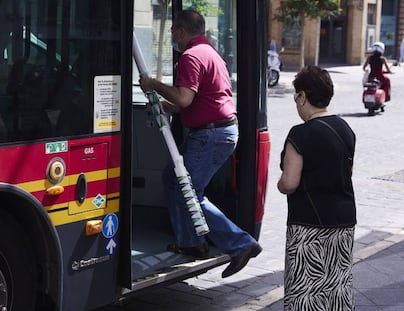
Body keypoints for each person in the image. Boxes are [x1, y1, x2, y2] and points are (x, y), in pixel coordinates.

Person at [139, 9, 262, 278]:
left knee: (189, 193)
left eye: (173, 31)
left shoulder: (191, 56)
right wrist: (168, 107)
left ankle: (240, 243)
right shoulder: (210, 52)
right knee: (173, 180)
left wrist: (153, 84)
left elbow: (184, 99)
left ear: (181, 31)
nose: (173, 36)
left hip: (210, 135)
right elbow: (195, 101)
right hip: (216, 131)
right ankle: (191, 242)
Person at [278, 66, 357, 310]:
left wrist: (280, 183)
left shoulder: (300, 134)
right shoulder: (346, 129)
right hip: (343, 222)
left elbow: (290, 183)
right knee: (336, 288)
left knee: (305, 291)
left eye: (295, 97)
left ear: (303, 96)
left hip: (309, 225)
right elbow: (347, 173)